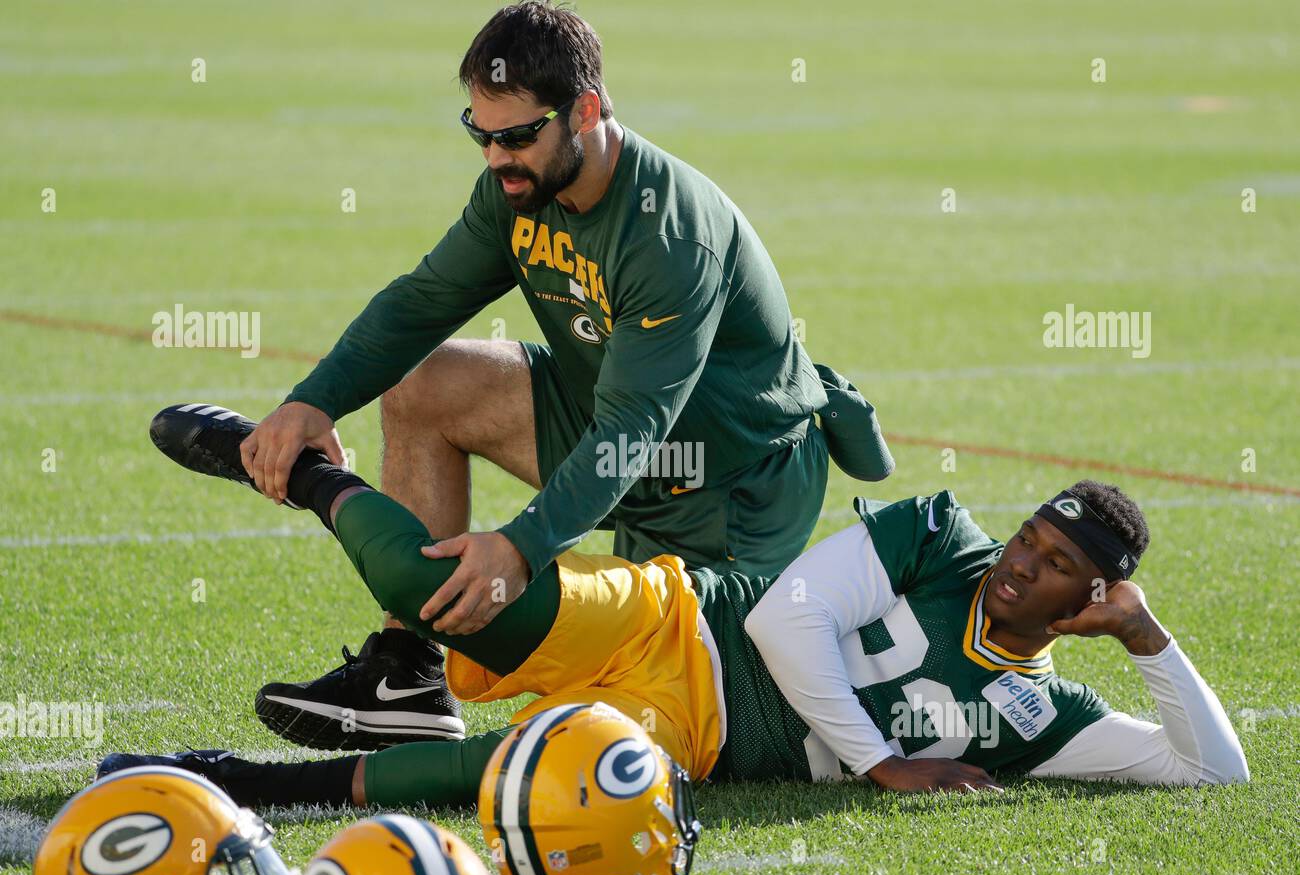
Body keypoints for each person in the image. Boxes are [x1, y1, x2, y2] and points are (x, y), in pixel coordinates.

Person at [233, 1, 892, 751]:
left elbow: (632, 430)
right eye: (479, 134)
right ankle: (408, 676)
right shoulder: (516, 189)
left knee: (678, 727)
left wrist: (522, 545)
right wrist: (311, 400)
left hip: (730, 488)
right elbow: (424, 300)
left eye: (516, 136)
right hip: (611, 423)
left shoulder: (669, 234)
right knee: (424, 386)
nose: (496, 158)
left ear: (584, 109)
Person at [107, 402, 1248, 804]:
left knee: (508, 777)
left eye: (1050, 566)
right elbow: (780, 620)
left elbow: (1214, 775)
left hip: (694, 740)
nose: (1015, 564)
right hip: (673, 617)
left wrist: (1147, 639)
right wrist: (880, 762)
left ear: (1090, 596)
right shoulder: (942, 535)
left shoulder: (1039, 723)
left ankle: (232, 778)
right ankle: (306, 469)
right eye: (1027, 538)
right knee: (441, 590)